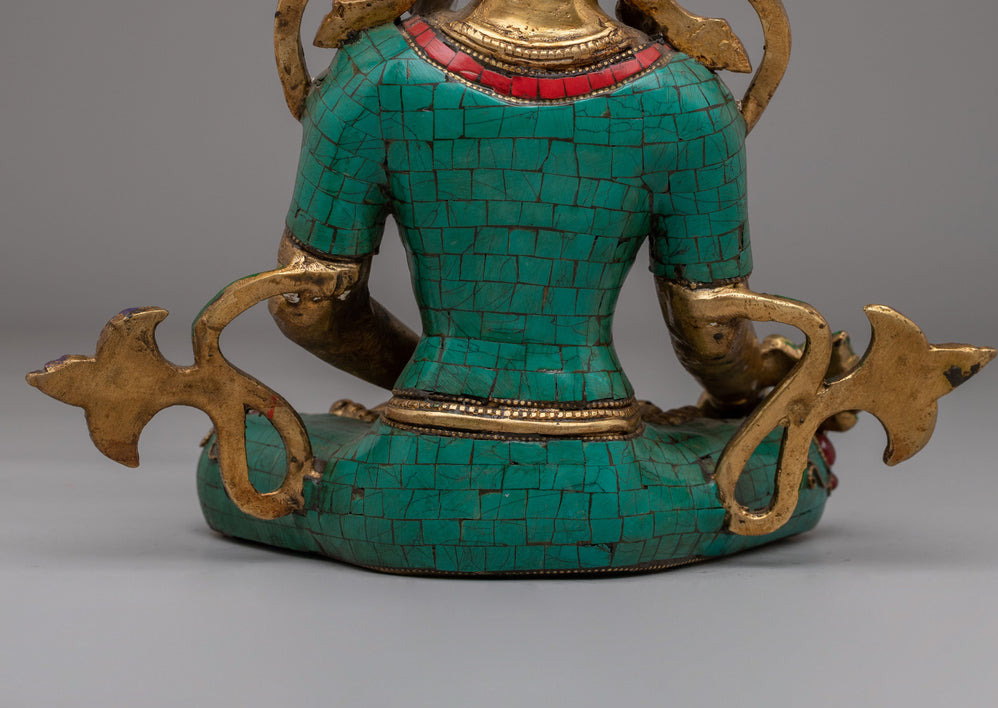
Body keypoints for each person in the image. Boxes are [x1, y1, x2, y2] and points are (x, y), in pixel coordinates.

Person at [196, 1, 834, 574]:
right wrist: (748, 390)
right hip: (611, 482)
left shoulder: (377, 74)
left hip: (400, 491)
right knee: (787, 454)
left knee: (237, 450)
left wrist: (445, 384)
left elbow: (306, 305)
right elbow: (711, 330)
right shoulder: (688, 99)